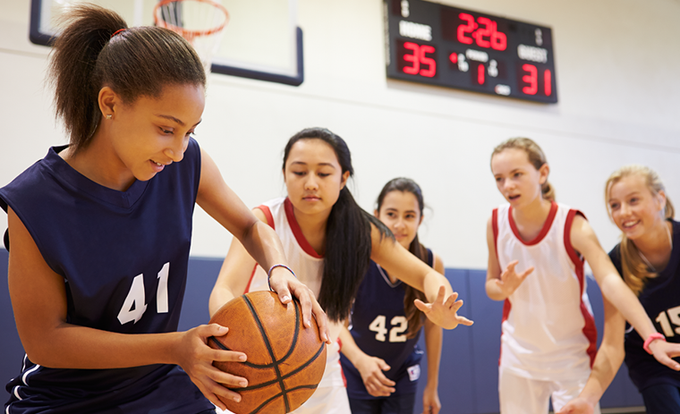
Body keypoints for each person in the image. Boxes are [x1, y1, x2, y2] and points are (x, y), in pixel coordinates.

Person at [0, 5, 328, 414]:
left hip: (158, 384)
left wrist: (280, 268)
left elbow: (251, 227)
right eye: (166, 129)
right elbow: (45, 340)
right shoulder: (35, 201)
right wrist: (175, 346)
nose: (177, 149)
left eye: (190, 131)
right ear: (110, 103)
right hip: (65, 398)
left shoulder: (186, 161)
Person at [209, 127, 473, 414]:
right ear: (284, 174)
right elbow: (224, 290)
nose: (311, 183)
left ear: (344, 178)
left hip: (321, 372)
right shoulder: (264, 219)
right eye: (299, 172)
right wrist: (235, 344)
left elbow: (427, 275)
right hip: (256, 370)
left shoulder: (362, 231)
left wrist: (439, 303)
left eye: (323, 174)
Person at [485, 138, 679, 414]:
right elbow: (491, 286)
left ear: (542, 173)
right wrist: (502, 288)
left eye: (517, 174)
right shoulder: (495, 223)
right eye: (499, 178)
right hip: (519, 356)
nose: (508, 185)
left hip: (570, 356)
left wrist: (651, 336)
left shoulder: (572, 223)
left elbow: (611, 282)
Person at [558, 165, 680, 414]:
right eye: (614, 205)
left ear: (660, 199)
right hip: (654, 366)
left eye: (633, 200)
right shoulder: (614, 264)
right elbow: (613, 344)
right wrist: (588, 399)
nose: (624, 212)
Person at [338, 177, 443, 414]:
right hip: (357, 368)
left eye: (409, 216)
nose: (399, 224)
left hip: (402, 371)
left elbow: (435, 326)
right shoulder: (357, 259)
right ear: (376, 215)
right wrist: (359, 360)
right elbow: (337, 322)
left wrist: (433, 384)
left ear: (420, 219)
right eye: (392, 214)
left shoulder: (431, 263)